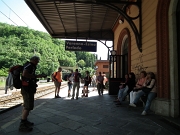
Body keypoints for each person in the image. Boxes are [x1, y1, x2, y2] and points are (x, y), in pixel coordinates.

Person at [19, 56, 46, 132]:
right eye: (37, 61)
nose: (38, 62)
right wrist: (35, 76)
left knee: (26, 105)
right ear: (33, 60)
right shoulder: (30, 65)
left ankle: (25, 120)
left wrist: (36, 77)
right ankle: (22, 125)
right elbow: (25, 74)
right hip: (27, 88)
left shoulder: (30, 65)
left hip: (27, 87)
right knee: (28, 106)